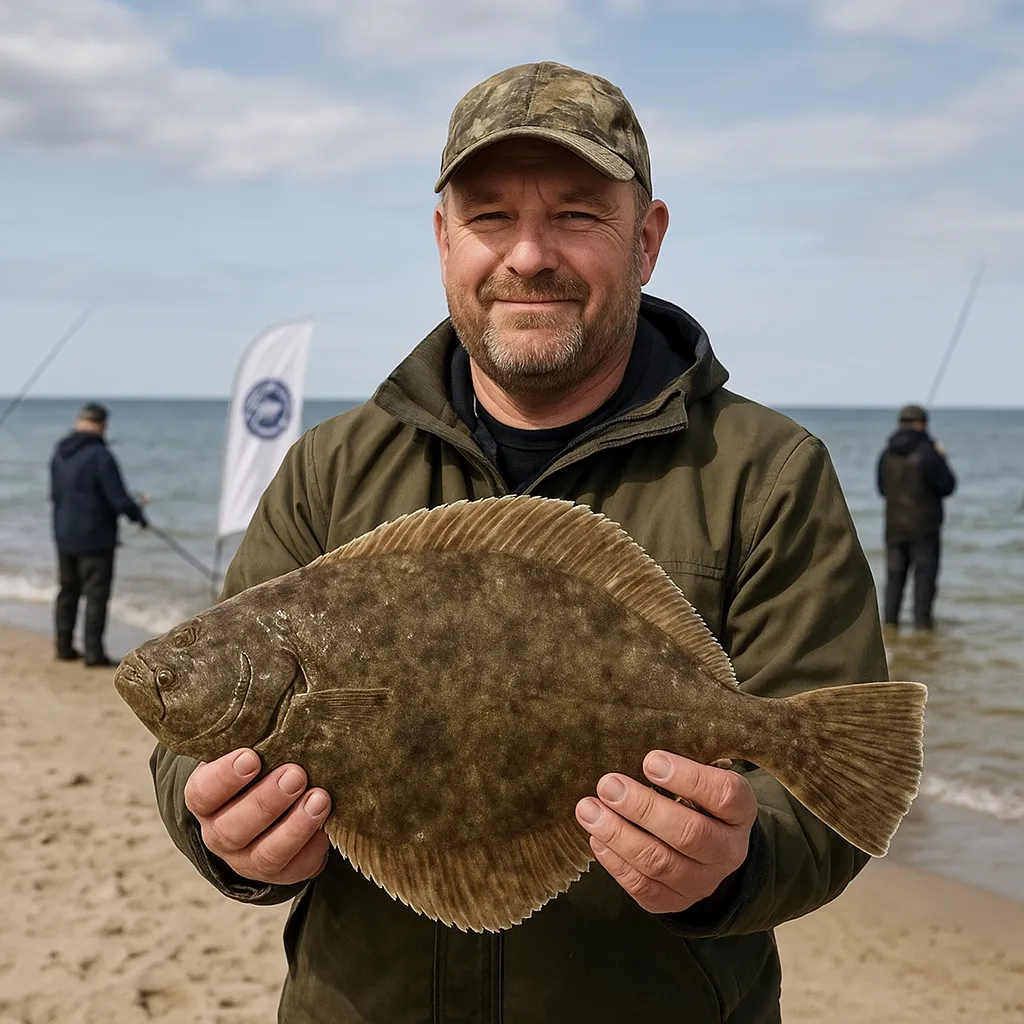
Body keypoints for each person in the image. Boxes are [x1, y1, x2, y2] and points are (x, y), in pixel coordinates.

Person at [151, 62, 889, 1022]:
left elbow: (836, 790)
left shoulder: (769, 471)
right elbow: (198, 744)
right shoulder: (330, 470)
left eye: (578, 216)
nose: (529, 255)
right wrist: (222, 836)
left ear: (648, 239)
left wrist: (738, 866)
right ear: (443, 239)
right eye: (491, 216)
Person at [50, 401, 148, 666]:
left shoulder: (60, 452)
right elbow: (118, 499)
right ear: (102, 425)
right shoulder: (101, 456)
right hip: (95, 538)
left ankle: (63, 647)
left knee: (67, 591)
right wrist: (138, 515)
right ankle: (93, 654)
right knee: (96, 595)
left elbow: (54, 494)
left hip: (64, 534)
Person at [877, 403, 956, 632]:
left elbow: (882, 489)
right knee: (924, 583)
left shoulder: (886, 453)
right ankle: (922, 632)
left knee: (893, 582)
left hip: (894, 528)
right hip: (924, 529)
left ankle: (889, 632)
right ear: (921, 424)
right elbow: (948, 486)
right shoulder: (928, 452)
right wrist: (943, 457)